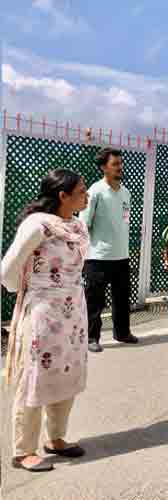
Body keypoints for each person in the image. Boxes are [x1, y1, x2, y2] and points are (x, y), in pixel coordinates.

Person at [2, 169, 90, 472]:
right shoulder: (37, 225)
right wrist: (30, 291)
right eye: (81, 191)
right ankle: (23, 449)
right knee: (35, 376)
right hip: (42, 312)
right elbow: (8, 271)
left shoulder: (77, 225)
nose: (86, 195)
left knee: (67, 371)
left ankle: (56, 438)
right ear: (62, 196)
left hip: (73, 312)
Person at [80, 147, 138, 353]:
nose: (120, 167)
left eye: (121, 163)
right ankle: (91, 338)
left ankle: (122, 333)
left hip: (121, 256)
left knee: (122, 298)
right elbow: (84, 224)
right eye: (115, 164)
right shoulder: (95, 191)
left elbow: (123, 220)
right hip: (97, 257)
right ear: (104, 167)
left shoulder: (126, 193)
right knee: (95, 301)